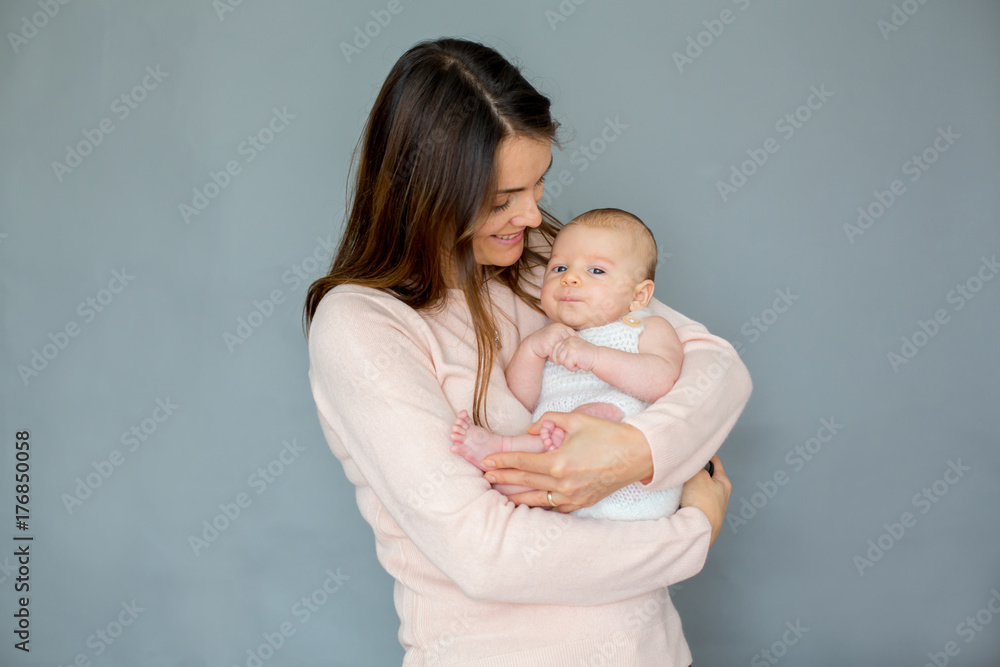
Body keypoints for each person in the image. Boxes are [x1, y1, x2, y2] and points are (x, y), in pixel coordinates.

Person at [304, 37, 751, 667]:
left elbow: (717, 367)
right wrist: (690, 533)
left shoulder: (546, 263)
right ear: (427, 196)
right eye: (501, 201)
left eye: (539, 184)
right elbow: (489, 554)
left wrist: (636, 453)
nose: (534, 214)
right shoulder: (362, 326)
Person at [450, 208, 687, 520]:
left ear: (639, 295)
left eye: (597, 271)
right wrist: (531, 351)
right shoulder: (553, 337)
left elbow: (662, 381)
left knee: (601, 410)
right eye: (559, 268)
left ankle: (504, 446)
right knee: (512, 480)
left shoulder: (645, 326)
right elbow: (520, 401)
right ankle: (509, 462)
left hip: (631, 480)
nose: (571, 278)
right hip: (564, 494)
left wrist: (595, 357)